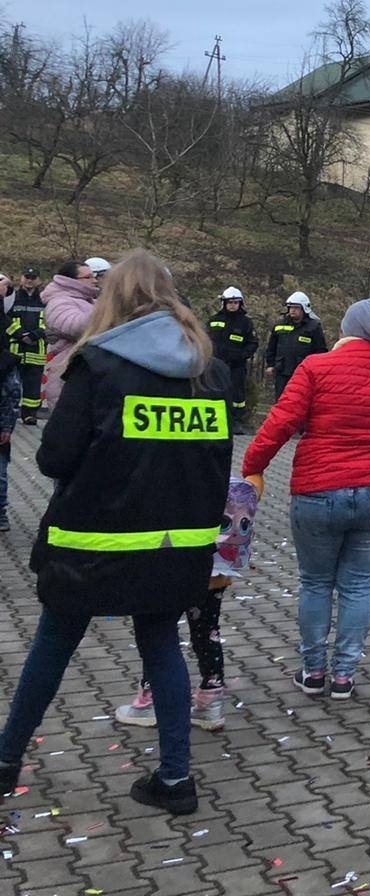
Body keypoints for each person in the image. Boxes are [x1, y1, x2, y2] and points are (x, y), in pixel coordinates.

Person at [0, 250, 231, 815]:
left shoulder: (98, 364)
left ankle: (6, 763)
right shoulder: (212, 372)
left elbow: (54, 460)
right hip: (177, 547)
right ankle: (176, 781)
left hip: (92, 542)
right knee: (162, 648)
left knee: (53, 645)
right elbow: (216, 463)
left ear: (115, 299)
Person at [241, 299, 370, 700]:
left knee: (316, 582)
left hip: (318, 490)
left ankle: (313, 671)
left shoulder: (316, 367)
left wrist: (252, 465)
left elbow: (281, 422)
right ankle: (344, 676)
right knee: (358, 586)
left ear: (346, 328)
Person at [114, 477, 257, 734]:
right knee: (206, 630)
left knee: (158, 632)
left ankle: (150, 698)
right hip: (213, 564)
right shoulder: (216, 455)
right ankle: (210, 700)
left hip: (168, 556)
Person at [40, 261, 98, 411]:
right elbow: (73, 326)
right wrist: (107, 312)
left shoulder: (89, 301)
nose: (95, 280)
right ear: (71, 281)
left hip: (83, 373)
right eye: (89, 277)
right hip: (67, 376)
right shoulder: (59, 302)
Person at [206, 286, 258, 430]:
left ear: (240, 304)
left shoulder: (246, 323)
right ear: (224, 303)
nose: (233, 305)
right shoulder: (214, 320)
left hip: (236, 366)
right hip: (216, 365)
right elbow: (205, 338)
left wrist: (242, 356)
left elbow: (253, 343)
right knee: (215, 391)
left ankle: (236, 421)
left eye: (236, 303)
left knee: (237, 394)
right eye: (230, 303)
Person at [263, 292, 327, 399]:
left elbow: (320, 350)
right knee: (281, 400)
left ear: (304, 309)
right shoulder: (280, 325)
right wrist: (270, 364)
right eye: (291, 307)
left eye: (296, 307)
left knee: (300, 400)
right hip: (282, 371)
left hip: (303, 373)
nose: (293, 310)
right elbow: (272, 347)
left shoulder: (314, 327)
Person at [8, 267, 48, 424]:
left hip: (36, 348)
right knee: (11, 383)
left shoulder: (44, 300)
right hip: (15, 347)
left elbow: (50, 321)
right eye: (27, 276)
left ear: (38, 280)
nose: (30, 280)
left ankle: (29, 414)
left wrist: (35, 334)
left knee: (33, 384)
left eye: (33, 277)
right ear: (21, 278)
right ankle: (9, 411)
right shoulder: (12, 298)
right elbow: (5, 319)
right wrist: (19, 334)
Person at [0, 331, 17, 533]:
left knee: (0, 474)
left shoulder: (6, 362)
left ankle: (1, 512)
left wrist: (6, 426)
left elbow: (12, 394)